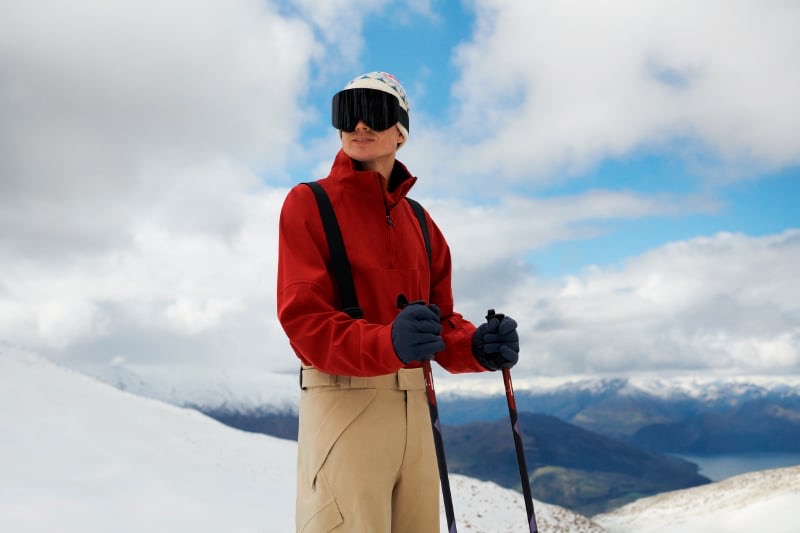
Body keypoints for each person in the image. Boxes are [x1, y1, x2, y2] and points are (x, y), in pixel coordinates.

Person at [277, 71, 520, 532]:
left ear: (401, 132)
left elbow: (441, 324)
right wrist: (388, 342)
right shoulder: (309, 203)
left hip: (418, 405)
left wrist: (477, 348)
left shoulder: (421, 222)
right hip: (344, 403)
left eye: (375, 111)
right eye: (347, 112)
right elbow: (304, 321)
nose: (359, 124)